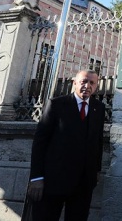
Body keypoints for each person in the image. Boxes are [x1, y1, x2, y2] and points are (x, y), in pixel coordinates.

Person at [27, 70, 105, 220]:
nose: (87, 86)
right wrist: (36, 177)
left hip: (83, 184)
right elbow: (40, 142)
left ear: (96, 86)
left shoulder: (99, 108)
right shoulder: (56, 104)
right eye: (84, 81)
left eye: (92, 83)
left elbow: (98, 141)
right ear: (75, 83)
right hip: (53, 181)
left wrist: (96, 171)